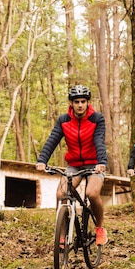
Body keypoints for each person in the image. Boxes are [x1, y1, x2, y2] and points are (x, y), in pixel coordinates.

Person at [36, 84, 108, 245]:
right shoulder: (64, 120)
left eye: (83, 101)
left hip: (95, 164)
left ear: (88, 102)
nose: (80, 105)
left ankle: (100, 228)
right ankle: (61, 237)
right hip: (74, 165)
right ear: (71, 103)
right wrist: (42, 160)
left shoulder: (97, 118)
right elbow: (52, 140)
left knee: (92, 193)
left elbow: (99, 141)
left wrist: (102, 162)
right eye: (76, 102)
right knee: (61, 195)